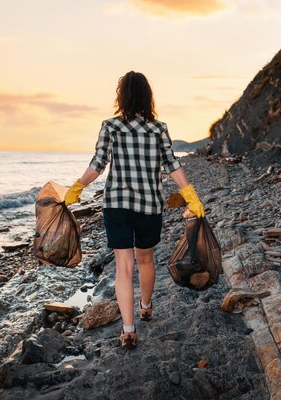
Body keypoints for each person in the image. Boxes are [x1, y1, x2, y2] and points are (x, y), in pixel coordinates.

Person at [64, 71, 205, 350]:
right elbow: (172, 164)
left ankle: (128, 330)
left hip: (116, 205)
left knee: (123, 267)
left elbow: (97, 163)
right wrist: (191, 196)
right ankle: (146, 306)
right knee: (146, 260)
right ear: (147, 96)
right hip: (149, 206)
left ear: (122, 96)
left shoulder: (110, 126)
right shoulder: (159, 129)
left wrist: (77, 188)